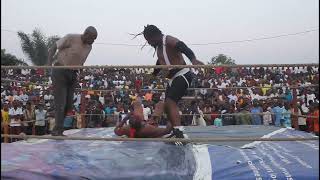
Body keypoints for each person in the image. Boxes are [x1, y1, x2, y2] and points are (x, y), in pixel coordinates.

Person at [135, 24, 204, 138]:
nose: (149, 43)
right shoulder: (159, 47)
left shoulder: (168, 39)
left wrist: (193, 59)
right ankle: (173, 129)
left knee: (170, 102)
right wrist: (153, 74)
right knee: (167, 105)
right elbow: (160, 61)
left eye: (149, 40)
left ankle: (179, 131)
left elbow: (182, 46)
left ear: (155, 36)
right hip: (172, 78)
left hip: (182, 74)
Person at [47, 26, 98, 136]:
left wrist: (81, 71)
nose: (93, 41)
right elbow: (53, 48)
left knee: (69, 104)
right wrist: (49, 66)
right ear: (86, 34)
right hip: (60, 70)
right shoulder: (71, 37)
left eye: (94, 39)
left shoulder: (89, 47)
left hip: (73, 73)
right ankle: (58, 130)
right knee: (61, 102)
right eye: (92, 38)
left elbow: (81, 60)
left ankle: (58, 128)